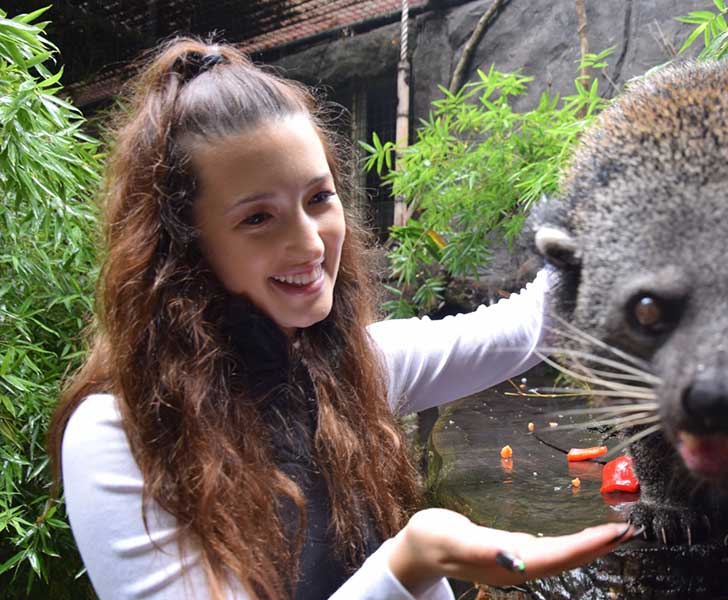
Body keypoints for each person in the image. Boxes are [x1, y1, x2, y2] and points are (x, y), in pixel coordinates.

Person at [47, 37, 634, 600]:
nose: (308, 244)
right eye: (258, 218)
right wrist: (410, 562)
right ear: (183, 244)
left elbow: (531, 326)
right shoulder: (122, 434)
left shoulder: (348, 368)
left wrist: (633, 199)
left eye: (318, 199)